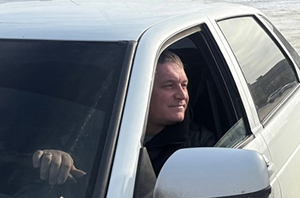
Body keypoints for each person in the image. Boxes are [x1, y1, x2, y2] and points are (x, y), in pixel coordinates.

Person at [33, 50, 215, 183]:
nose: (182, 95)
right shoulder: (96, 134)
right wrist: (57, 159)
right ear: (141, 91)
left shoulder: (198, 147)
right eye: (169, 86)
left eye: (184, 85)